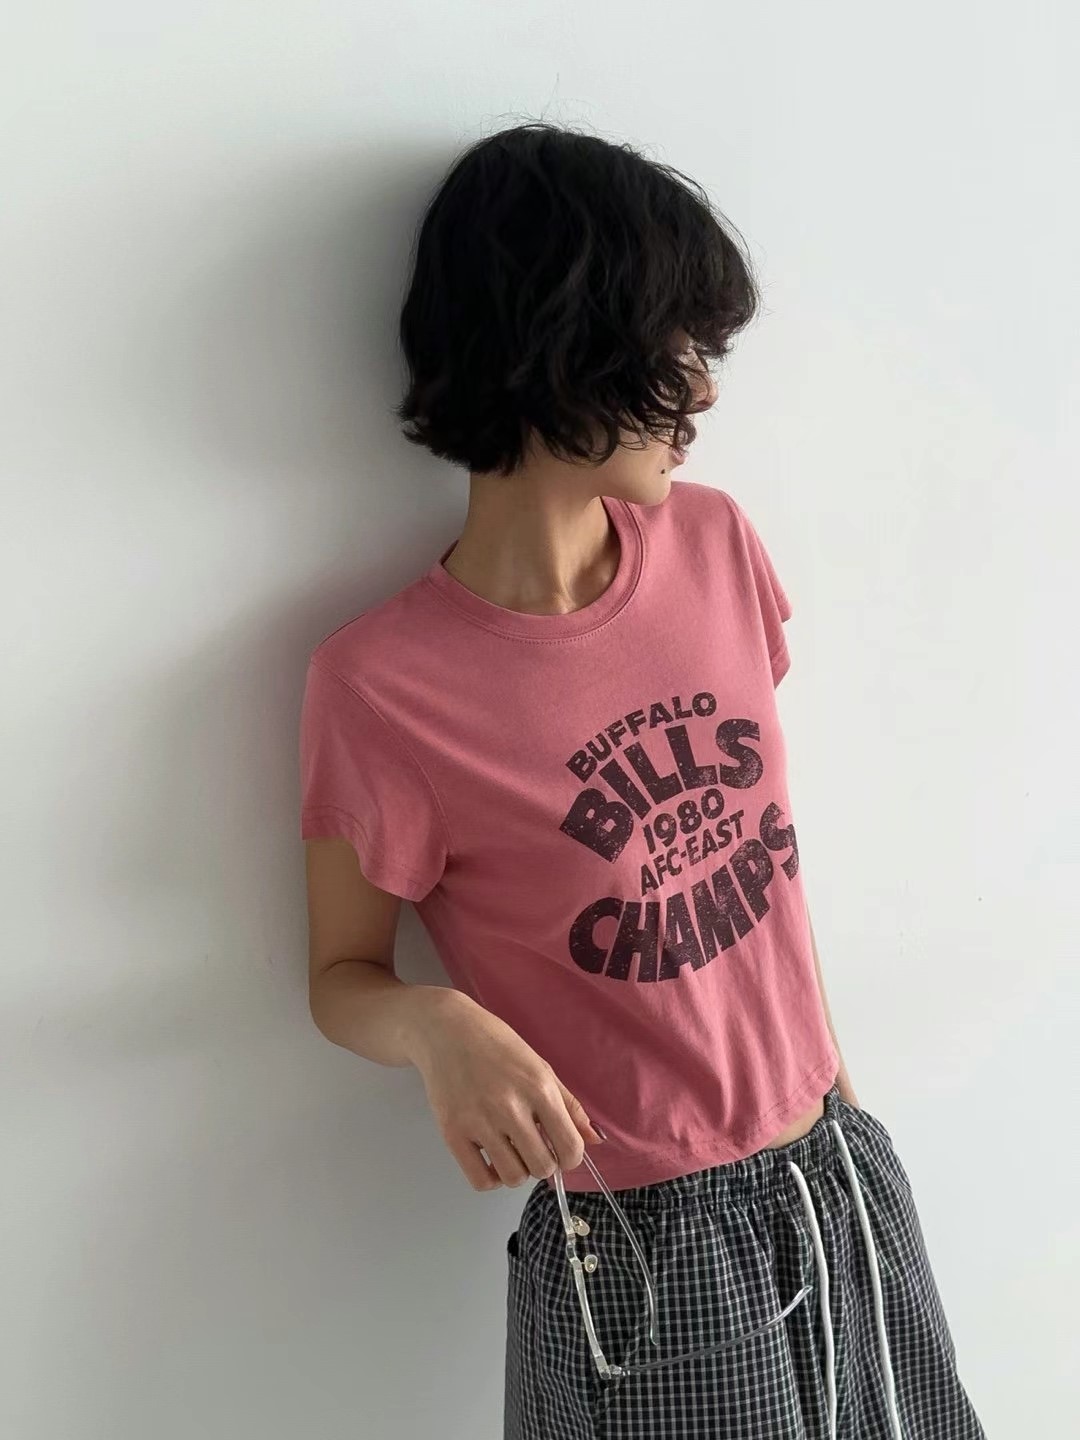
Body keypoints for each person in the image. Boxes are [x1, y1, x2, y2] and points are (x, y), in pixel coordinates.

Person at [299, 121, 986, 1440]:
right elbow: (340, 975)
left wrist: (840, 1107)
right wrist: (437, 1026)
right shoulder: (382, 685)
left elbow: (765, 865)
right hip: (648, 1250)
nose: (704, 392)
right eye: (675, 345)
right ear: (562, 347)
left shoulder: (718, 547)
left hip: (836, 1166)